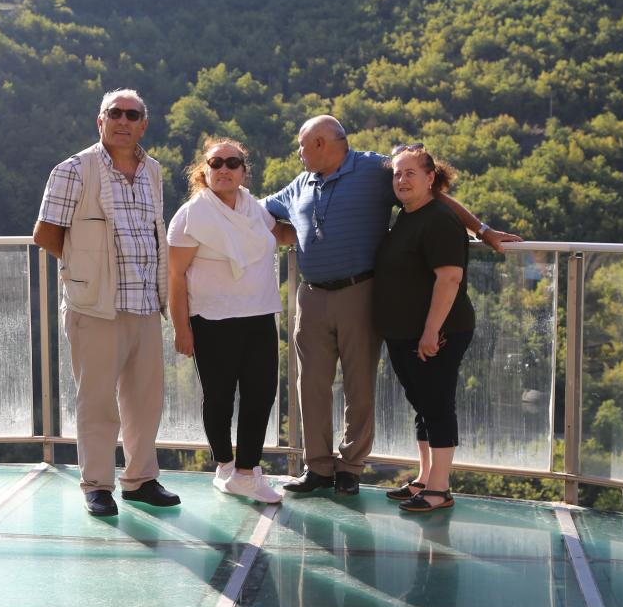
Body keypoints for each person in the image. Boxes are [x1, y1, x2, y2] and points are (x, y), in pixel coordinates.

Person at [263, 116, 518, 497]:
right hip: (311, 297)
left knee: (359, 384)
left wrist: (482, 230)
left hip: (359, 292)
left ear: (320, 144)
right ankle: (317, 468)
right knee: (311, 383)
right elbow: (259, 214)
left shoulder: (375, 170)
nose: (298, 153)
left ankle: (350, 468)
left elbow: (434, 196)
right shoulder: (300, 184)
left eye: (301, 145)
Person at [33, 89, 181, 517]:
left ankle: (140, 480)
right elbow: (46, 233)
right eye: (114, 113)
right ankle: (97, 485)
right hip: (96, 305)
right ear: (100, 121)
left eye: (132, 115)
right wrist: (85, 271)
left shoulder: (152, 170)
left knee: (145, 401)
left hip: (145, 303)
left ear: (143, 125)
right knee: (97, 402)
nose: (123, 121)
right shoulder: (74, 169)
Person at [168, 137, 293, 503]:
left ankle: (247, 471)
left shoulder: (254, 209)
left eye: (232, 163)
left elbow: (280, 234)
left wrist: (317, 231)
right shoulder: (191, 216)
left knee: (261, 394)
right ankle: (224, 465)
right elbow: (175, 276)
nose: (224, 169)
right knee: (219, 397)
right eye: (216, 163)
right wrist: (181, 328)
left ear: (243, 171)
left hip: (259, 315)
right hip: (212, 320)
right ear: (204, 171)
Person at [375, 144, 475, 512]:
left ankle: (439, 489)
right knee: (422, 404)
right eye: (397, 174)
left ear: (430, 178)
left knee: (437, 405)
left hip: (437, 332)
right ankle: (424, 477)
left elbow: (449, 278)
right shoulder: (408, 214)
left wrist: (431, 331)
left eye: (410, 173)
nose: (401, 180)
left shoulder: (439, 219)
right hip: (405, 332)